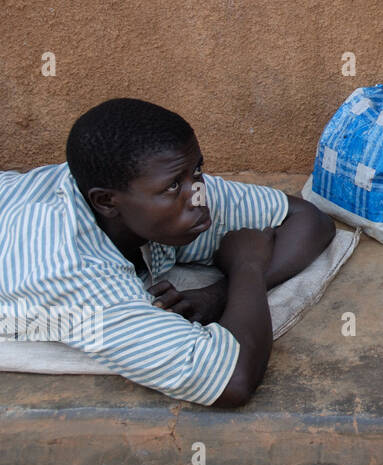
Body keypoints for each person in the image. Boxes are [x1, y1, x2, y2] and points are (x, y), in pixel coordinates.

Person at [0, 98, 335, 407]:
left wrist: (217, 294)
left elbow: (309, 219)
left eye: (198, 171)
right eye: (175, 186)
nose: (199, 196)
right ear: (105, 201)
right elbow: (233, 380)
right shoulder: (66, 268)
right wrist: (246, 267)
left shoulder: (156, 183)